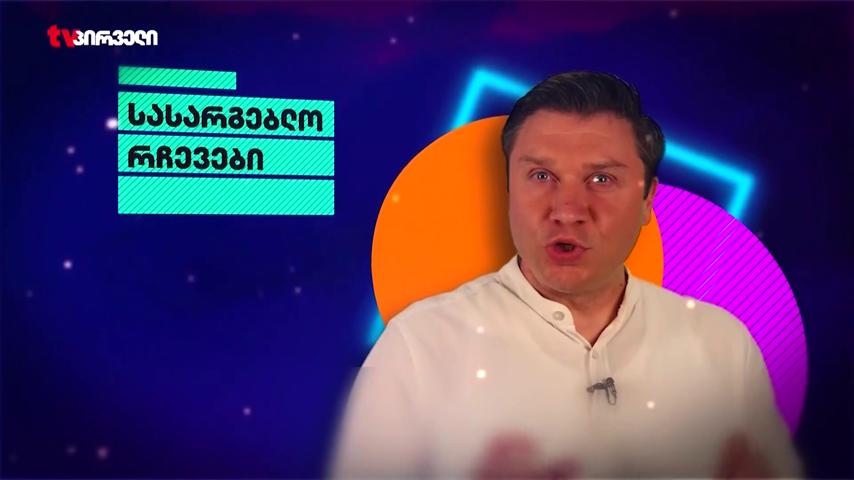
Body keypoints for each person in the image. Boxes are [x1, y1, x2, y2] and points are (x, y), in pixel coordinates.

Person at [329, 71, 801, 478]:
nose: (568, 210)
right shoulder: (418, 346)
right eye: (541, 176)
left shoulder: (723, 345)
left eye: (602, 179)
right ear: (508, 190)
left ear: (647, 201)